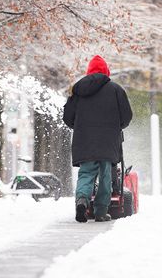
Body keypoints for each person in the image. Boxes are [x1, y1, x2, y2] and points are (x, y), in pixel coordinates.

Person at [63, 55, 132, 222]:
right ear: (106, 71)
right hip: (108, 142)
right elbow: (127, 116)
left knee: (86, 173)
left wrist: (79, 127)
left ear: (89, 71)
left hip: (84, 140)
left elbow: (67, 117)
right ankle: (101, 212)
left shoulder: (77, 90)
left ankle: (82, 201)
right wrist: (118, 126)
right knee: (106, 175)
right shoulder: (116, 90)